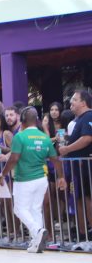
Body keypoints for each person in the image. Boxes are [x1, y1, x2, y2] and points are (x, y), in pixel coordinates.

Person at [0, 107, 67, 252]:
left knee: (19, 209)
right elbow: (55, 159)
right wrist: (61, 177)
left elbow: (14, 158)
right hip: (42, 179)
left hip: (24, 179)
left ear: (22, 122)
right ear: (36, 121)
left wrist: (2, 174)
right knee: (35, 209)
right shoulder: (44, 138)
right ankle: (36, 243)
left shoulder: (20, 137)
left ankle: (37, 231)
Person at [59, 89, 92, 237]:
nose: (70, 102)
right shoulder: (79, 119)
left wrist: (67, 148)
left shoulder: (89, 116)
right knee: (80, 197)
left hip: (86, 167)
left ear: (84, 103)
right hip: (77, 168)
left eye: (74, 99)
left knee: (87, 197)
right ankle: (83, 232)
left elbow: (87, 138)